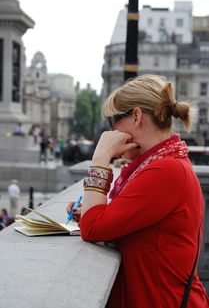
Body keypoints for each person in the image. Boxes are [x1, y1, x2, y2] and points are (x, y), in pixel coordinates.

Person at [67, 75, 209, 308]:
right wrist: (92, 209)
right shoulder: (163, 163)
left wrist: (100, 156)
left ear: (136, 116)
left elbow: (93, 229)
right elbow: (112, 224)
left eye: (112, 121)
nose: (109, 131)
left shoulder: (166, 170)